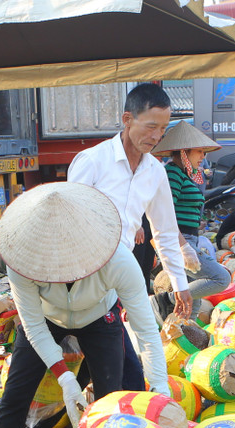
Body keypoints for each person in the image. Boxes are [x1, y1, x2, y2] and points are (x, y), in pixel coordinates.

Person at [0, 183, 169, 428]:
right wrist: (64, 377)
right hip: (46, 318)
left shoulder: (119, 261)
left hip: (99, 315)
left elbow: (146, 331)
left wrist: (160, 386)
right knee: (14, 398)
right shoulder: (20, 262)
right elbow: (33, 326)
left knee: (110, 401)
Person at [67, 83, 189, 390]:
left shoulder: (155, 172)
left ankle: (143, 407)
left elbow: (164, 232)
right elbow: (68, 222)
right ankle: (39, 426)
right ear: (127, 119)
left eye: (162, 129)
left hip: (115, 283)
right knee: (59, 359)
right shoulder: (92, 162)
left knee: (121, 366)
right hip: (74, 282)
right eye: (150, 127)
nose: (156, 137)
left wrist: (180, 284)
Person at [154, 121, 231, 306]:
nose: (203, 157)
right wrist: (182, 247)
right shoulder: (173, 173)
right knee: (221, 278)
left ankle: (181, 331)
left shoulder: (185, 174)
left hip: (191, 239)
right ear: (184, 152)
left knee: (192, 307)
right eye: (199, 151)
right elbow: (165, 214)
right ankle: (165, 301)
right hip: (179, 241)